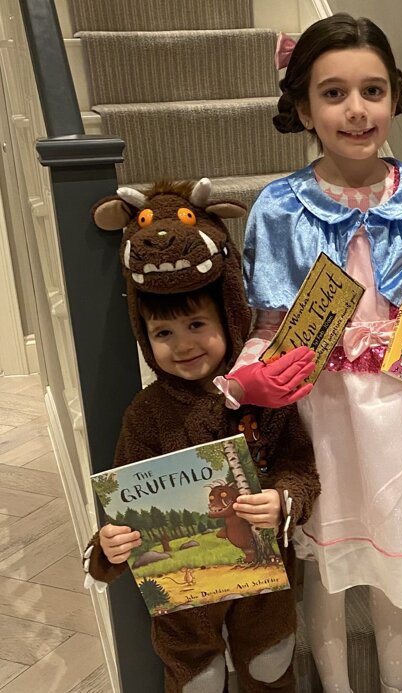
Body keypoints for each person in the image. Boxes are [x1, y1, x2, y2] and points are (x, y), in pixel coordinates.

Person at [215, 14, 402, 693]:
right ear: (305, 108)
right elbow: (269, 324)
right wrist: (251, 378)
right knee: (328, 569)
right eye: (333, 93)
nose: (357, 109)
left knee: (398, 559)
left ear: (395, 96)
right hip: (326, 416)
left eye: (373, 90)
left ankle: (396, 684)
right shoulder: (280, 208)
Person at [82, 179, 320, 693]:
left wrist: (284, 500)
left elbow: (300, 466)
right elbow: (125, 508)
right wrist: (107, 548)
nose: (183, 345)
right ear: (144, 337)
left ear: (228, 319)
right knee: (198, 678)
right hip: (184, 603)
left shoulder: (263, 396)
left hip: (264, 582)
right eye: (163, 333)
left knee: (270, 663)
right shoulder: (146, 415)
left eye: (196, 325)